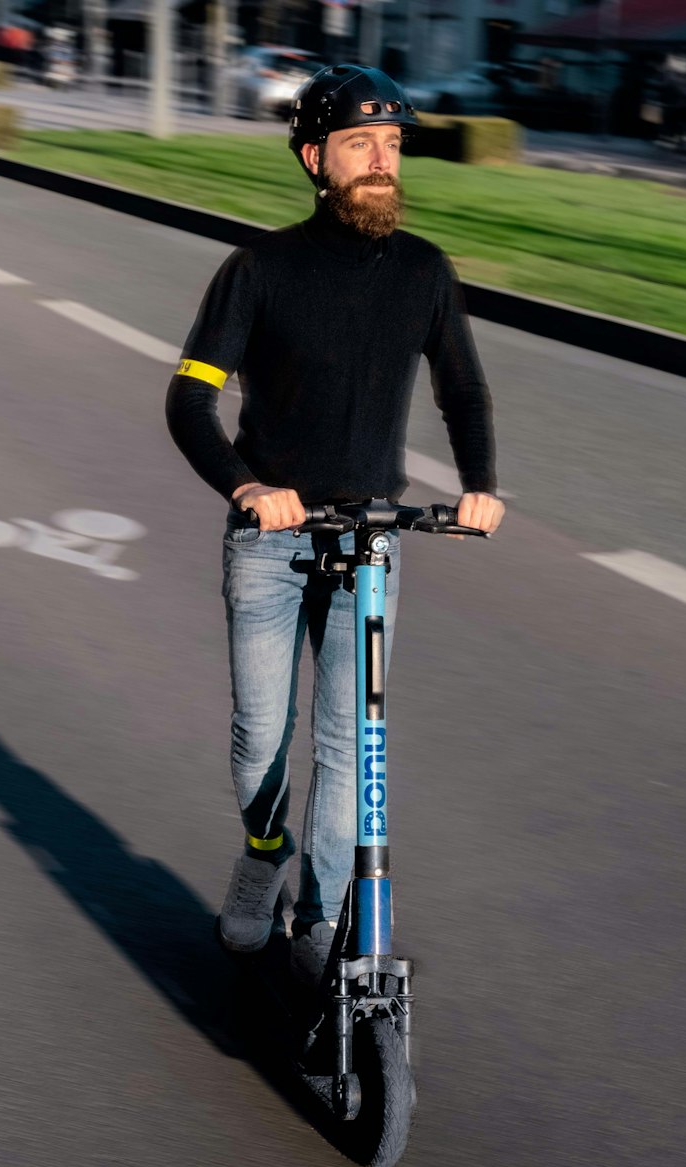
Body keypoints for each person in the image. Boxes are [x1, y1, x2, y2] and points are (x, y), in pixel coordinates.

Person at [165, 64, 504, 986]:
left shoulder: (427, 272)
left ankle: (316, 916)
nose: (382, 163)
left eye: (393, 147)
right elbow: (190, 403)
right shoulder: (258, 271)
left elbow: (462, 389)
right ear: (316, 158)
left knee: (350, 747)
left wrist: (481, 484)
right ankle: (264, 852)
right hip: (271, 542)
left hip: (370, 544)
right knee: (259, 738)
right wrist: (246, 488)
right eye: (361, 144)